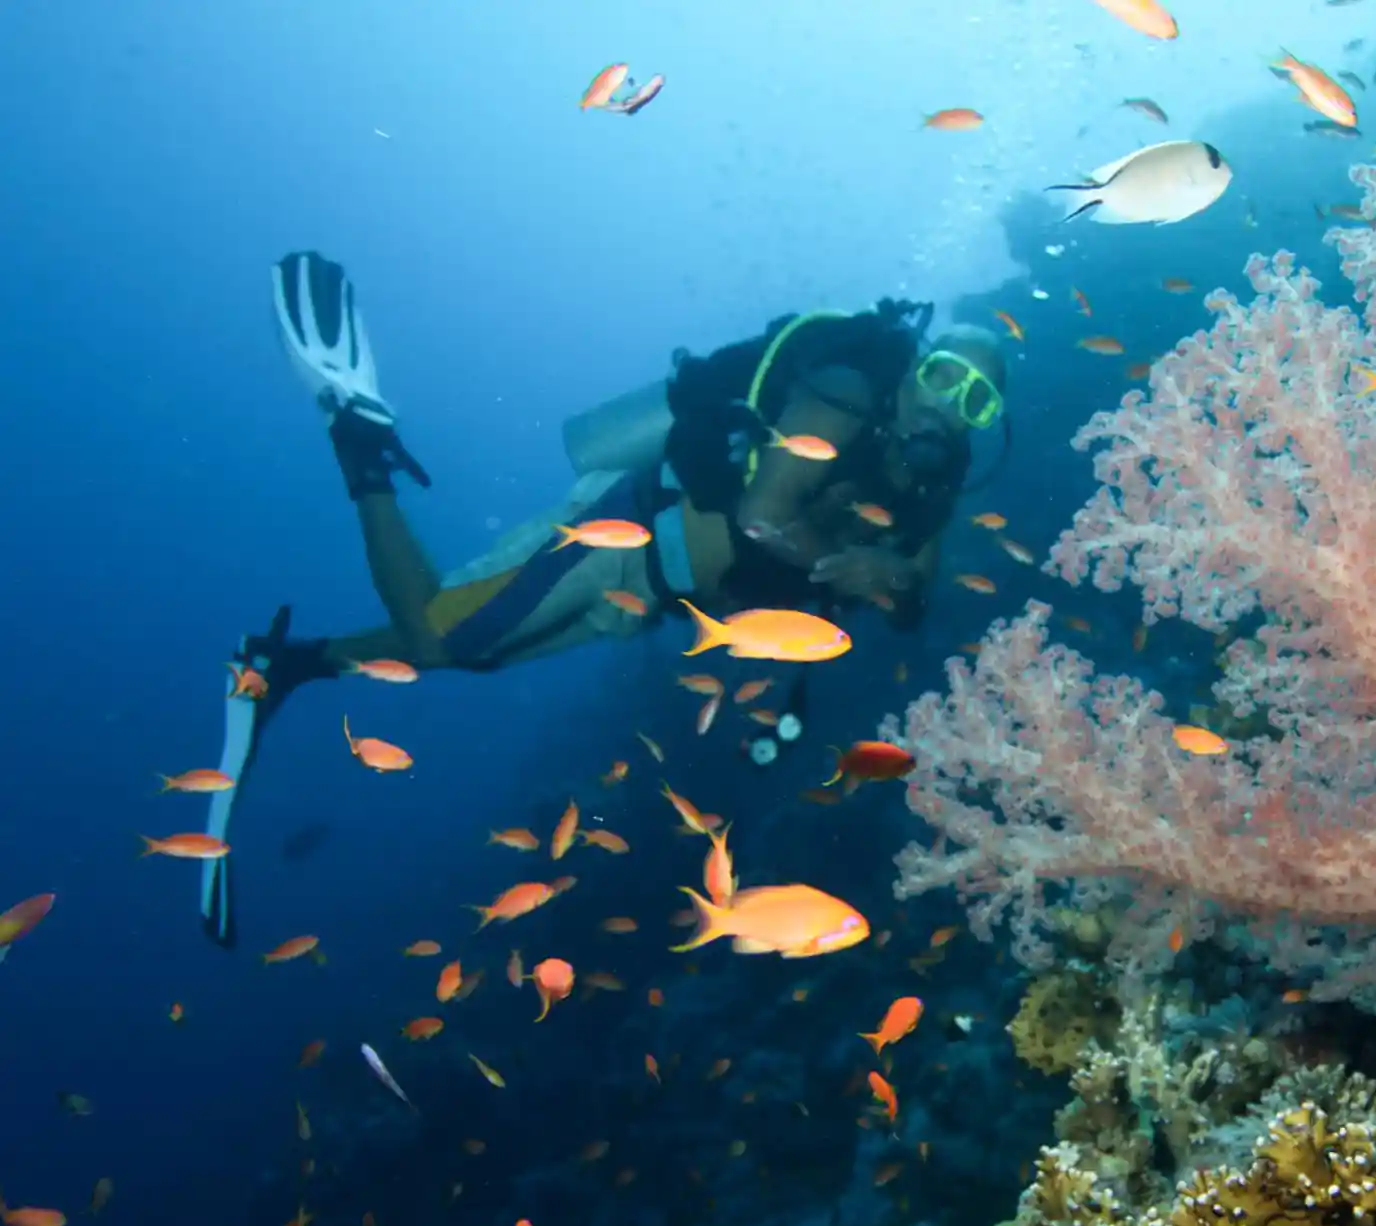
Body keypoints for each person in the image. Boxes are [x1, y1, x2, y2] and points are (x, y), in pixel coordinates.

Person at [195, 251, 1011, 945]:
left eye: (976, 398)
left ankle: (285, 666)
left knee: (474, 654)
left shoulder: (927, 494)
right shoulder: (842, 395)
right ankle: (356, 427)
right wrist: (852, 564)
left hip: (651, 601)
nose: (948, 405)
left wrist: (894, 577)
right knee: (446, 636)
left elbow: (913, 610)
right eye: (944, 376)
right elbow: (763, 517)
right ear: (913, 372)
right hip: (617, 535)